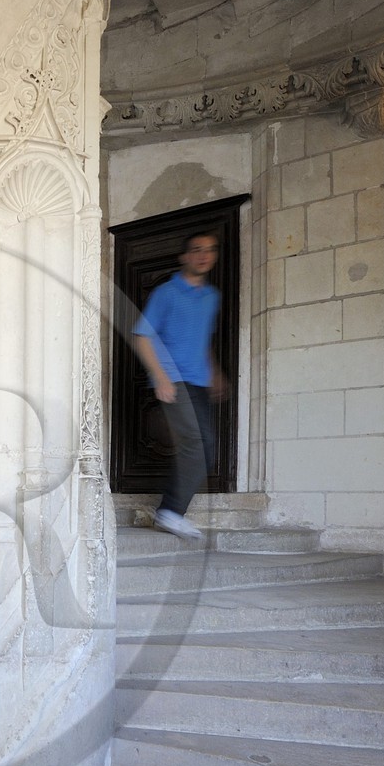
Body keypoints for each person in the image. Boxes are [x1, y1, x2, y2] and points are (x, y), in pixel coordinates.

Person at [132, 232, 226, 541]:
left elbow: (201, 340)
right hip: (173, 378)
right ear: (184, 256)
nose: (203, 255)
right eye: (197, 250)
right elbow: (142, 336)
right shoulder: (166, 293)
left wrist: (214, 372)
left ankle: (170, 511)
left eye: (210, 250)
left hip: (199, 381)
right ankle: (170, 512)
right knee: (196, 443)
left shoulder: (211, 297)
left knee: (205, 446)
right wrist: (160, 376)